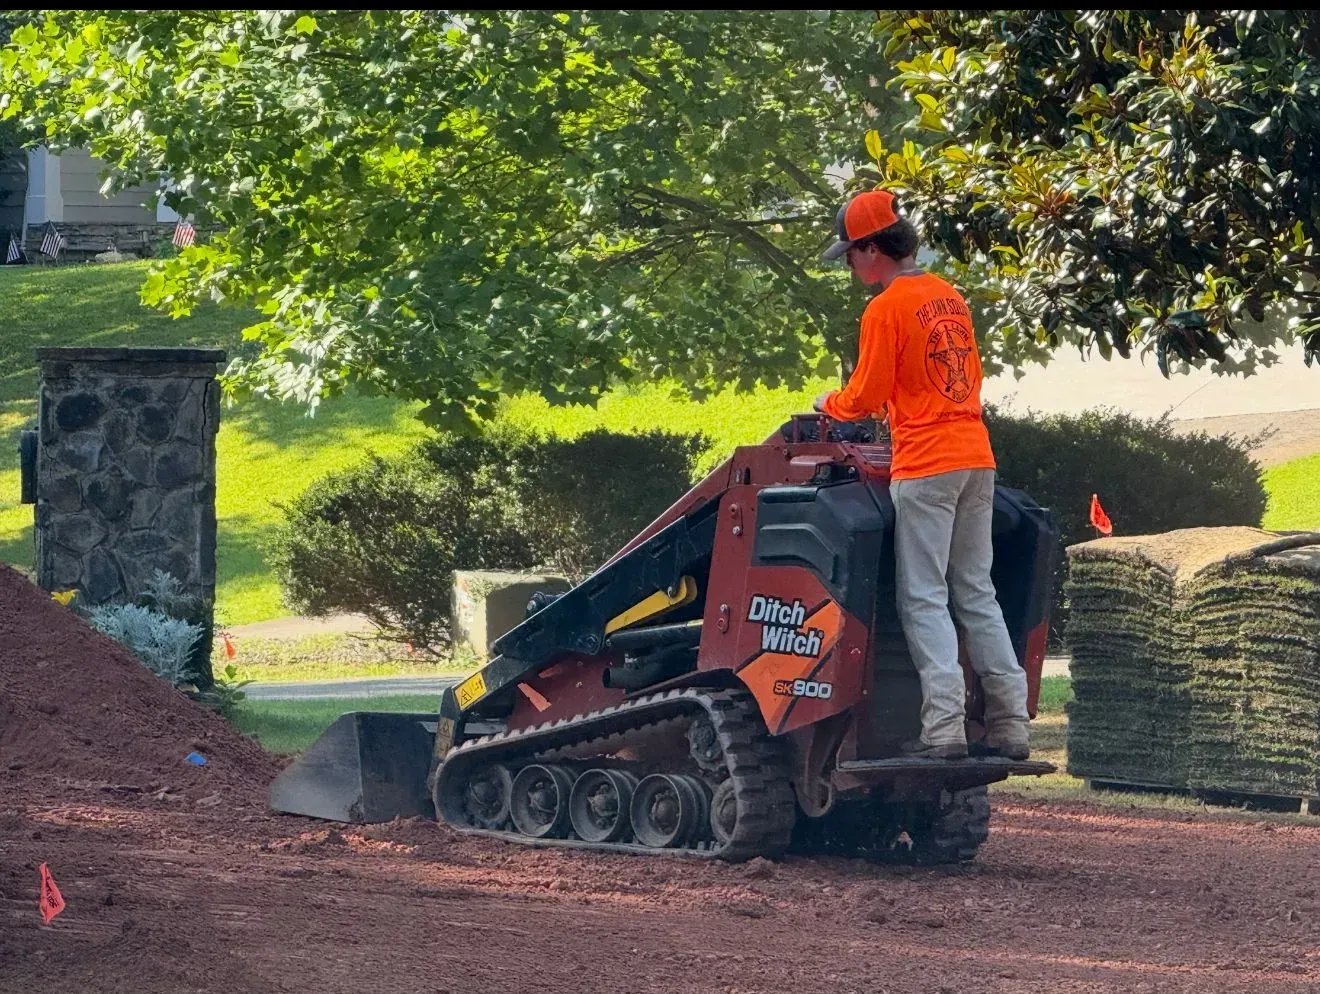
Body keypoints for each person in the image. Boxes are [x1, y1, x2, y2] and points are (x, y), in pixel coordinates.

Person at [814, 189, 1030, 761]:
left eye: (851, 255)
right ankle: (1011, 723)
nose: (850, 267)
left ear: (870, 249)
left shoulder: (885, 309)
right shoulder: (949, 296)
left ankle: (943, 731)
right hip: (976, 458)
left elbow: (865, 396)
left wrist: (827, 401)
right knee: (976, 592)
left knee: (924, 598)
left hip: (927, 464)